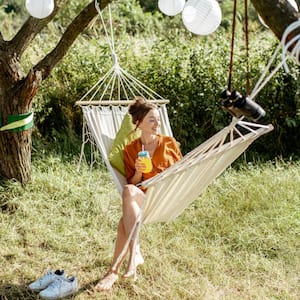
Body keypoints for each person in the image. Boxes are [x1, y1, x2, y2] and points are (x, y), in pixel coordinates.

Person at [95, 97, 182, 291]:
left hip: (164, 198)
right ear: (138, 123)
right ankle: (130, 259)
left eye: (158, 119)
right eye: (151, 119)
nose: (157, 124)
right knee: (127, 191)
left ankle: (116, 269)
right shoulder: (131, 149)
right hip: (142, 199)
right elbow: (132, 185)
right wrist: (138, 172)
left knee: (123, 223)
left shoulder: (169, 144)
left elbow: (181, 174)